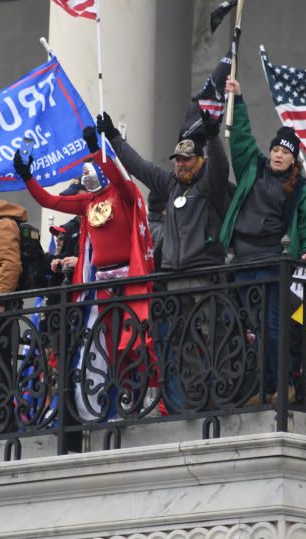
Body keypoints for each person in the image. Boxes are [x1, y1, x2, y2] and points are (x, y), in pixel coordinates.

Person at [14, 125, 154, 420]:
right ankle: (93, 408)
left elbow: (118, 175)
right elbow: (50, 201)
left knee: (128, 345)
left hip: (128, 281)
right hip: (99, 285)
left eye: (92, 168)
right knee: (96, 346)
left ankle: (130, 403)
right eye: (85, 169)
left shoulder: (124, 194)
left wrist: (97, 146)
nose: (88, 174)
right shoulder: (87, 201)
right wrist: (27, 177)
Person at [97, 109, 229, 412]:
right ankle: (192, 397)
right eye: (178, 160)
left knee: (210, 337)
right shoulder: (170, 184)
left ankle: (217, 396)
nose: (181, 165)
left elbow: (221, 167)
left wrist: (212, 137)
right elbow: (139, 167)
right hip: (173, 276)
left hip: (203, 272)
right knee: (181, 341)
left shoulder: (209, 185)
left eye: (186, 160)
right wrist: (114, 138)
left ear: (198, 161)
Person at [219, 78, 306, 400]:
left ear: (294, 159)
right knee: (252, 329)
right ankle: (261, 388)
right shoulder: (253, 168)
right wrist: (238, 99)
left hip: (272, 265)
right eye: (275, 149)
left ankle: (282, 388)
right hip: (242, 261)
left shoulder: (303, 191)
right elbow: (240, 137)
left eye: (285, 152)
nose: (278, 155)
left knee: (273, 327)